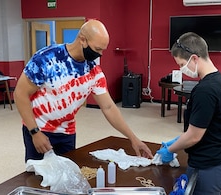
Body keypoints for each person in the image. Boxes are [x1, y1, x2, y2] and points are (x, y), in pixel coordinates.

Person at [14, 19, 153, 162]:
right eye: (98, 49)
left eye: (102, 50)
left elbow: (109, 107)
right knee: (37, 178)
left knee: (67, 175)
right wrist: (34, 132)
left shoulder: (93, 71)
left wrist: (133, 138)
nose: (100, 54)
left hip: (67, 132)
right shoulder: (46, 59)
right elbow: (20, 94)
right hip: (38, 128)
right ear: (82, 40)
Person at [157, 32, 221, 195]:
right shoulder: (218, 80)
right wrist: (180, 139)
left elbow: (194, 136)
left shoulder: (206, 90)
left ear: (194, 58)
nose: (181, 69)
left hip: (212, 165)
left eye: (181, 64)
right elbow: (206, 123)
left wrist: (171, 149)